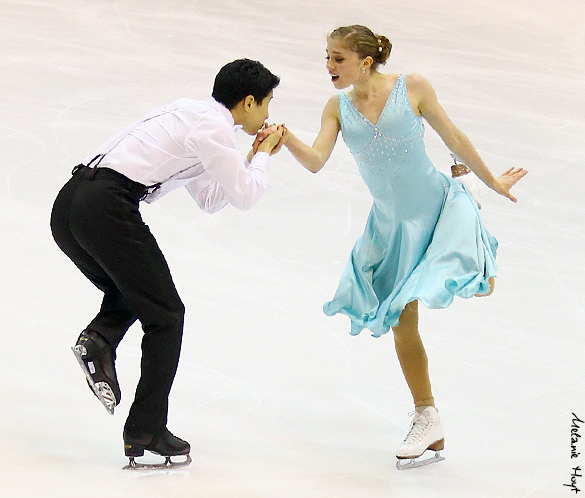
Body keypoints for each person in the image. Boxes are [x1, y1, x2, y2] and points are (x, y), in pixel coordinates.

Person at [271, 25, 527, 469]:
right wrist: (285, 136)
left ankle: (471, 202)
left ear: (365, 61)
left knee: (473, 282)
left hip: (435, 210)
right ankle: (428, 416)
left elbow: (455, 137)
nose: (328, 66)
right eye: (327, 57)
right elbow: (315, 161)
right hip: (390, 229)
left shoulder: (413, 87)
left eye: (338, 58)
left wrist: (493, 180)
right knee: (401, 322)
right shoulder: (337, 107)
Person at [50, 58, 284, 468]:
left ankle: (99, 342)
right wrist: (264, 155)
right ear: (248, 102)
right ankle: (145, 428)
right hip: (108, 206)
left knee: (134, 292)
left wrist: (244, 159)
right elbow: (246, 196)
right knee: (166, 315)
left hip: (71, 202)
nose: (266, 114)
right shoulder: (212, 129)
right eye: (266, 104)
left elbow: (212, 198)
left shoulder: (192, 115)